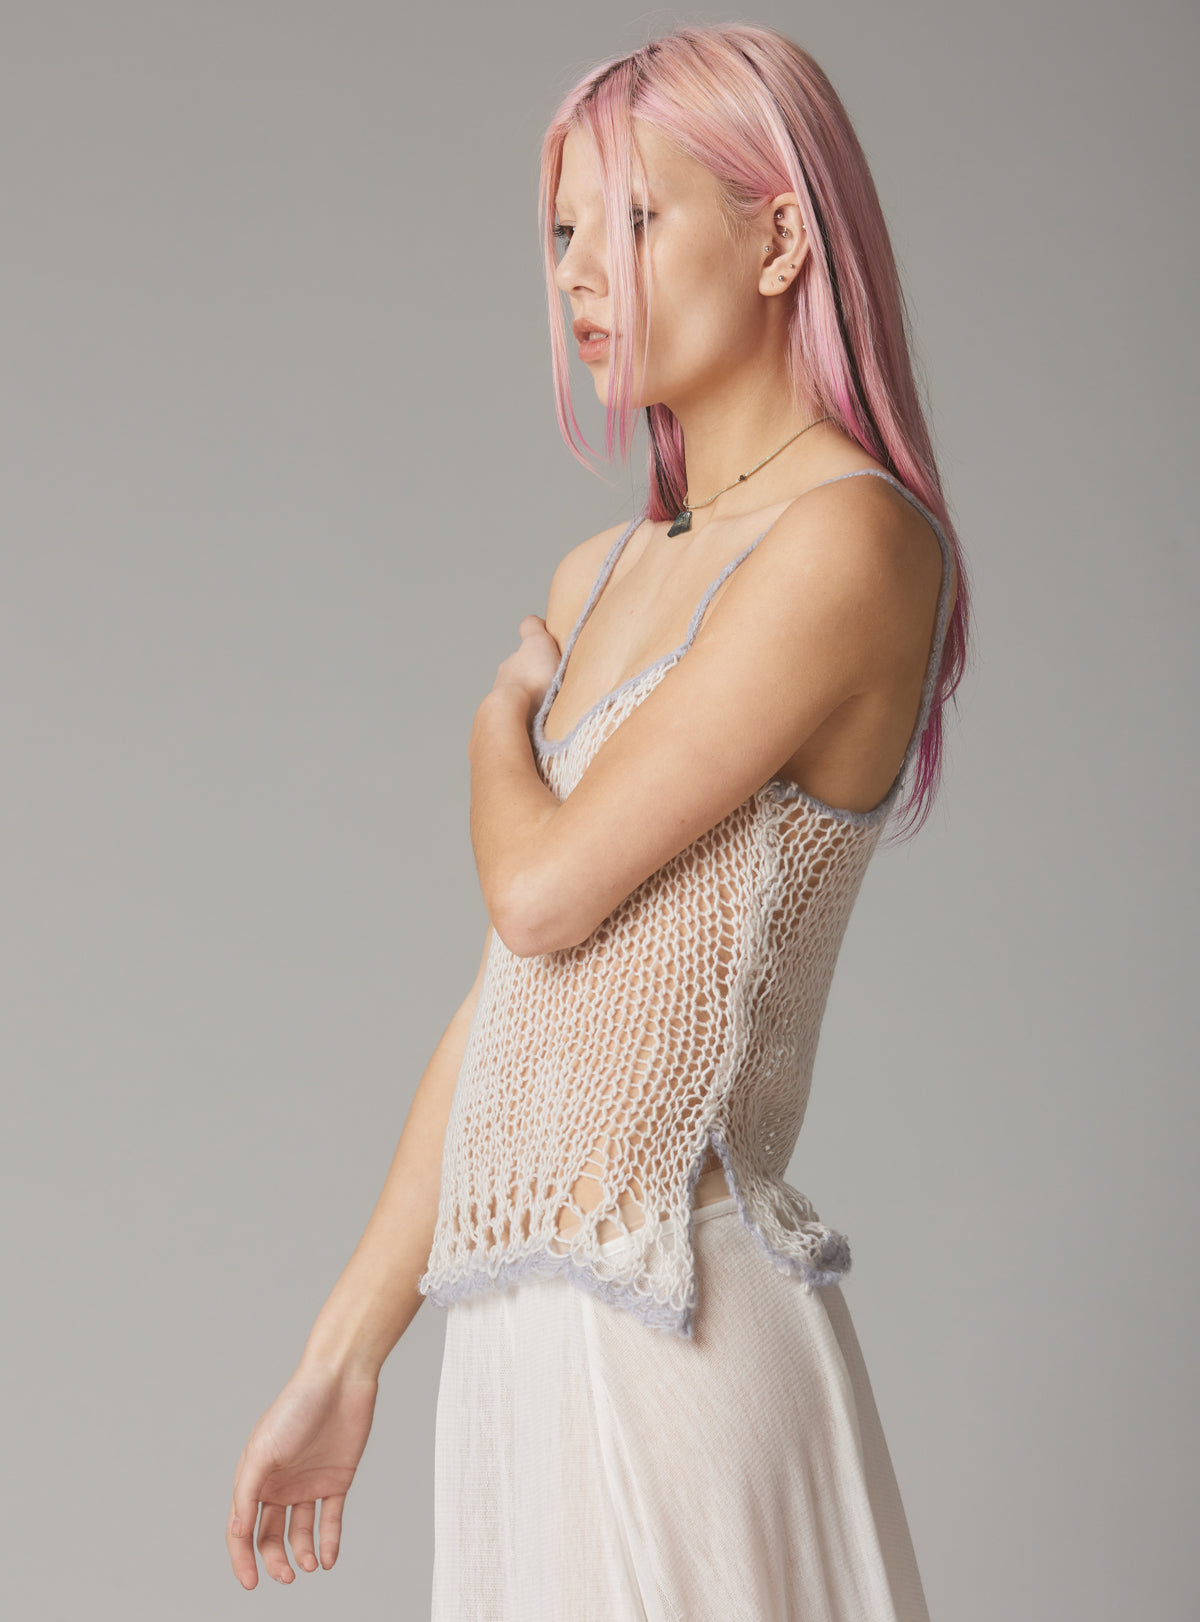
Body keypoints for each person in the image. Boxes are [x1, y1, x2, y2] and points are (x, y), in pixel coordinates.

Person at [226, 21, 969, 1618]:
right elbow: (510, 1007)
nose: (579, 273)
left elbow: (543, 891)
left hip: (672, 1329)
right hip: (516, 1364)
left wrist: (493, 723)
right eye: (561, 230)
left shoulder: (854, 542)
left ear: (780, 238)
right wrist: (344, 1356)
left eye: (633, 218)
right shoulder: (601, 573)